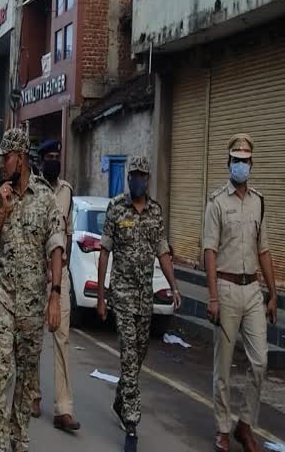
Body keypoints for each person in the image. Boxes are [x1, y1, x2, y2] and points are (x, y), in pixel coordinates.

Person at [0, 128, 65, 452]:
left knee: (27, 376)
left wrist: (55, 295)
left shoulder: (44, 197)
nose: (2, 164)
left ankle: (19, 438)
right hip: (2, 295)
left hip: (33, 301)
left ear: (22, 158)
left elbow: (56, 245)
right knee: (0, 369)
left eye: (7, 158)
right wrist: (2, 211)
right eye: (1, 158)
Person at [96, 155, 180, 452]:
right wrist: (103, 298)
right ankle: (132, 425)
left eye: (143, 174)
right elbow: (104, 252)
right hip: (123, 294)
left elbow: (163, 251)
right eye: (133, 174)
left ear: (148, 177)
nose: (137, 179)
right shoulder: (116, 208)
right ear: (128, 176)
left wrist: (173, 286)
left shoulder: (155, 211)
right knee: (129, 358)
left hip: (146, 297)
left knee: (138, 357)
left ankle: (121, 400)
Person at [204, 134, 277, 452]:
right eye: (236, 160)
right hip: (227, 287)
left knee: (260, 362)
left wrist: (272, 292)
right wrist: (213, 297)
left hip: (252, 291)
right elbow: (209, 251)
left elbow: (263, 250)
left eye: (246, 161)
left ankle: (245, 423)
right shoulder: (217, 202)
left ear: (252, 164)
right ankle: (222, 427)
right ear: (228, 162)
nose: (241, 166)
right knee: (223, 364)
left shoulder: (259, 201)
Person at [29, 139, 81, 431]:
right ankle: (34, 395)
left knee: (62, 339)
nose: (53, 161)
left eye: (56, 156)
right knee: (34, 338)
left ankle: (63, 408)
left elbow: (68, 233)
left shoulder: (67, 192)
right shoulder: (32, 189)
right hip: (35, 276)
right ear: (40, 160)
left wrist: (64, 269)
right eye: (48, 156)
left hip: (60, 277)